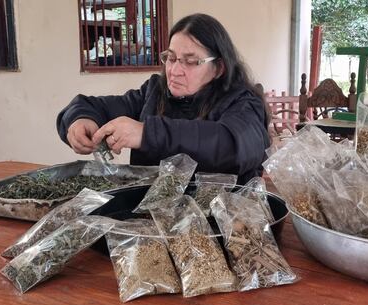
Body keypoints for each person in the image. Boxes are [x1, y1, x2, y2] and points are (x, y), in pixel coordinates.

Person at [56, 13, 270, 183]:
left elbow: (233, 146)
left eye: (190, 61)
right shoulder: (154, 93)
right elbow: (88, 105)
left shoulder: (243, 101)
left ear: (218, 68)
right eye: (171, 58)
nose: (175, 70)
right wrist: (79, 120)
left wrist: (147, 133)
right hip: (152, 221)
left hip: (224, 225)